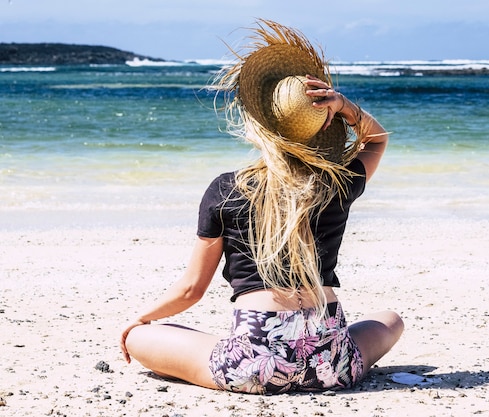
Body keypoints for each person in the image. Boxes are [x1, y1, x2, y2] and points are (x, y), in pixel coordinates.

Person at [120, 19, 403, 395]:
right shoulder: (337, 181)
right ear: (323, 124)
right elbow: (377, 139)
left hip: (255, 365)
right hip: (332, 363)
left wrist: (142, 318)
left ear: (259, 124)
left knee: (140, 337)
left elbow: (191, 291)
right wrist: (345, 107)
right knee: (391, 320)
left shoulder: (227, 188)